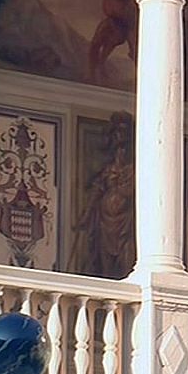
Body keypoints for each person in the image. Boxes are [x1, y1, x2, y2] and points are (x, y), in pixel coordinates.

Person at [73, 112, 135, 278]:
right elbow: (97, 188)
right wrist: (85, 216)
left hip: (126, 221)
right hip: (104, 220)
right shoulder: (109, 165)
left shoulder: (135, 167)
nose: (120, 136)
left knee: (126, 255)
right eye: (117, 131)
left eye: (124, 131)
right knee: (102, 257)